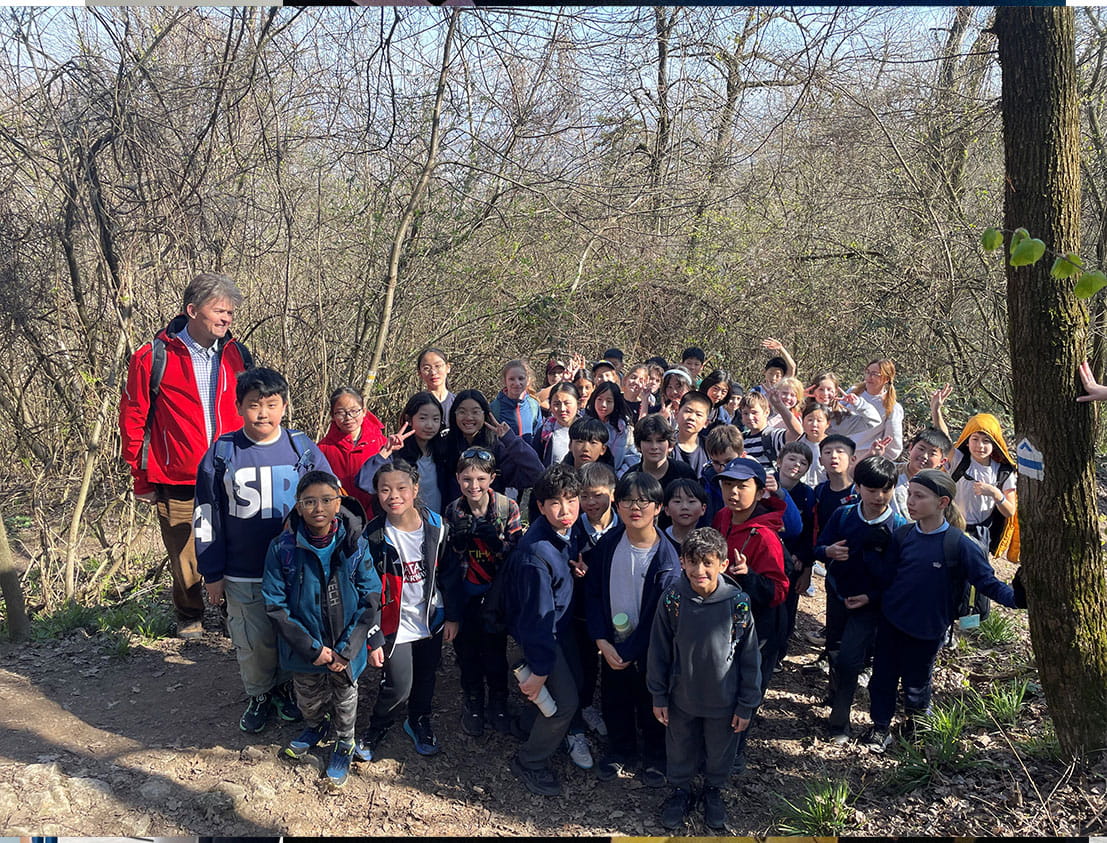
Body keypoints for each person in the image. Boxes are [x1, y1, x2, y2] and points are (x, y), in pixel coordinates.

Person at [194, 367, 332, 733]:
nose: (263, 414)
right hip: (243, 570)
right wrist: (212, 573)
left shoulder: (302, 448)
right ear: (238, 406)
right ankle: (259, 693)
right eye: (254, 405)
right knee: (252, 640)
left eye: (271, 405)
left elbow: (330, 499)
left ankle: (285, 687)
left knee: (290, 631)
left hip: (296, 568)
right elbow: (206, 514)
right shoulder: (223, 453)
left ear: (284, 406)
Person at [119, 272, 251, 639]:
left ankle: (231, 612)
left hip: (230, 471)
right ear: (192, 310)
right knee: (184, 552)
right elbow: (133, 419)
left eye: (230, 312)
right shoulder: (152, 356)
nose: (227, 318)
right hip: (175, 473)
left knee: (234, 543)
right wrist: (140, 476)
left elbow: (254, 409)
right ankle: (190, 612)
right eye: (219, 311)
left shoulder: (237, 355)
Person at [862, 469, 1025, 752]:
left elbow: (986, 581)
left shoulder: (959, 545)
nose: (910, 501)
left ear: (942, 503)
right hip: (891, 622)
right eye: (910, 494)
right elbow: (887, 577)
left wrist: (1017, 599)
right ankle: (880, 728)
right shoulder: (902, 535)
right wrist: (867, 554)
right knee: (882, 679)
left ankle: (917, 728)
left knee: (917, 683)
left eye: (919, 496)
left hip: (929, 629)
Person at [263, 471, 383, 789]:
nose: (319, 507)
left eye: (327, 500)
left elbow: (370, 596)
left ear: (338, 502)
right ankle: (316, 726)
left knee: (346, 698)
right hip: (304, 649)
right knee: (308, 698)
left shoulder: (353, 544)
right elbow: (275, 604)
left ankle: (344, 743)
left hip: (347, 648)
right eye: (310, 501)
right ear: (299, 507)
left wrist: (347, 649)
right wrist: (312, 649)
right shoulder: (282, 548)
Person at [647, 527, 761, 831]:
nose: (700, 571)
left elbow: (750, 657)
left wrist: (746, 704)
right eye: (693, 562)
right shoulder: (673, 600)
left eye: (708, 563)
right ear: (682, 562)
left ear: (722, 564)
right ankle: (681, 789)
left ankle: (713, 790)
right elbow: (658, 650)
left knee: (720, 749)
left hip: (724, 701)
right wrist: (658, 695)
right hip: (681, 697)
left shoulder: (738, 603)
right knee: (680, 746)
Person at [357, 459, 458, 761]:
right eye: (385, 489)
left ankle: (419, 720)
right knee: (400, 684)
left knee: (427, 675)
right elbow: (367, 589)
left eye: (401, 488)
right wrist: (372, 635)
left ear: (415, 488)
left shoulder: (437, 527)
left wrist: (452, 615)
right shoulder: (373, 536)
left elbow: (449, 575)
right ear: (376, 493)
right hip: (393, 623)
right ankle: (378, 725)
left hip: (430, 619)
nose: (393, 496)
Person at [585, 472, 680, 788]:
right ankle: (620, 750)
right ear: (617, 503)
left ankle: (656, 756)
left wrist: (630, 651)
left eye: (644, 501)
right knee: (615, 698)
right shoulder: (609, 544)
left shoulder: (667, 558)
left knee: (651, 699)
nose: (634, 507)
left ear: (659, 507)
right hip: (613, 641)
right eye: (627, 500)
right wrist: (601, 637)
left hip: (650, 648)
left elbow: (660, 616)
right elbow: (594, 592)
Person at [812, 456, 906, 743]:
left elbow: (898, 578)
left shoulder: (899, 529)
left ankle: (839, 723)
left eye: (886, 489)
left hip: (870, 607)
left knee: (852, 659)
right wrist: (828, 552)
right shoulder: (843, 516)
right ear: (859, 487)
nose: (879, 497)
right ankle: (835, 693)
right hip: (837, 595)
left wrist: (871, 597)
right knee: (836, 652)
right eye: (872, 489)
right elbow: (817, 548)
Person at [506, 463, 584, 796]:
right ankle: (530, 761)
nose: (565, 510)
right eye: (554, 502)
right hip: (538, 639)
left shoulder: (566, 531)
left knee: (571, 687)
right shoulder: (535, 554)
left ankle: (526, 725)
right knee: (564, 704)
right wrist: (539, 669)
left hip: (559, 630)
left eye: (571, 500)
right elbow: (536, 619)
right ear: (539, 507)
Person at [709, 457, 789, 771]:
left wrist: (748, 575)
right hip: (727, 619)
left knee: (748, 685)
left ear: (758, 493)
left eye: (743, 486)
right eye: (728, 484)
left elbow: (779, 589)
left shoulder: (765, 536)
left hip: (761, 626)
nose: (733, 492)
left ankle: (735, 752)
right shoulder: (722, 517)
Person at [443, 449, 523, 737]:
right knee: (466, 651)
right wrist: (458, 540)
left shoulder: (506, 507)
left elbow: (517, 554)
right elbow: (448, 560)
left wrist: (496, 540)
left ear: (491, 478)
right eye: (466, 479)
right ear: (457, 479)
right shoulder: (453, 510)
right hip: (465, 594)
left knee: (495, 651)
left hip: (495, 594)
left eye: (480, 478)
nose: (473, 486)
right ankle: (473, 699)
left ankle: (499, 700)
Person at [441, 389, 545, 503]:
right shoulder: (445, 446)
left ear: (485, 414)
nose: (469, 417)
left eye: (475, 412)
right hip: (453, 517)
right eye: (462, 412)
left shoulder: (497, 448)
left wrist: (510, 440)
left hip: (492, 516)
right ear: (454, 414)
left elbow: (537, 474)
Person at [316, 386, 388, 518]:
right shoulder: (323, 448)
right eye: (341, 412)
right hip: (340, 518)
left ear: (364, 411)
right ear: (332, 415)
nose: (348, 417)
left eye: (354, 411)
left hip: (377, 516)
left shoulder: (381, 444)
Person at [625, 414, 697, 530]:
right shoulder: (631, 477)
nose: (654, 447)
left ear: (670, 445)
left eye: (660, 441)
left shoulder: (684, 473)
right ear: (638, 445)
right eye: (648, 441)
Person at [889, 427, 952, 520]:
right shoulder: (890, 471)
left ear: (942, 461)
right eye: (921, 449)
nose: (924, 456)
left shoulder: (940, 488)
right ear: (911, 448)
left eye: (932, 453)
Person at [848, 359, 905, 460]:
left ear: (886, 379)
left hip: (865, 460)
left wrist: (875, 460)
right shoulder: (854, 391)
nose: (869, 377)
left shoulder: (892, 407)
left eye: (875, 374)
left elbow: (893, 445)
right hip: (841, 453)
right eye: (868, 372)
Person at [584, 380, 637, 472]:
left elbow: (632, 457)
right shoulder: (584, 422)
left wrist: (620, 475)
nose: (603, 405)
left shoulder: (622, 428)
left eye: (609, 401)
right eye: (599, 399)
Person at [489, 359, 543, 446]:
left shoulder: (534, 406)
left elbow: (538, 438)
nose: (517, 383)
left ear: (528, 380)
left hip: (529, 458)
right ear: (504, 381)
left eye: (521, 378)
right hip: (504, 458)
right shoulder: (495, 408)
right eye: (511, 379)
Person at [534, 382, 582, 466]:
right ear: (550, 406)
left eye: (567, 403)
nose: (562, 409)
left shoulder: (588, 429)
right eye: (556, 404)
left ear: (578, 404)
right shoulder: (545, 431)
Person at [671, 391, 712, 478]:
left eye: (699, 415)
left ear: (706, 423)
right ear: (676, 414)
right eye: (688, 411)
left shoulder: (709, 448)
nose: (692, 418)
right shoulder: (666, 445)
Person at [662, 477, 708, 549]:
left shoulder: (709, 542)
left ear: (703, 508)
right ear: (666, 509)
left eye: (691, 501)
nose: (684, 507)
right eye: (677, 501)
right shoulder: (659, 541)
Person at [415, 347, 455, 419]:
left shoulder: (458, 404)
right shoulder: (416, 405)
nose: (433, 372)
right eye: (426, 368)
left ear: (448, 367)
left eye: (438, 366)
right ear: (419, 373)